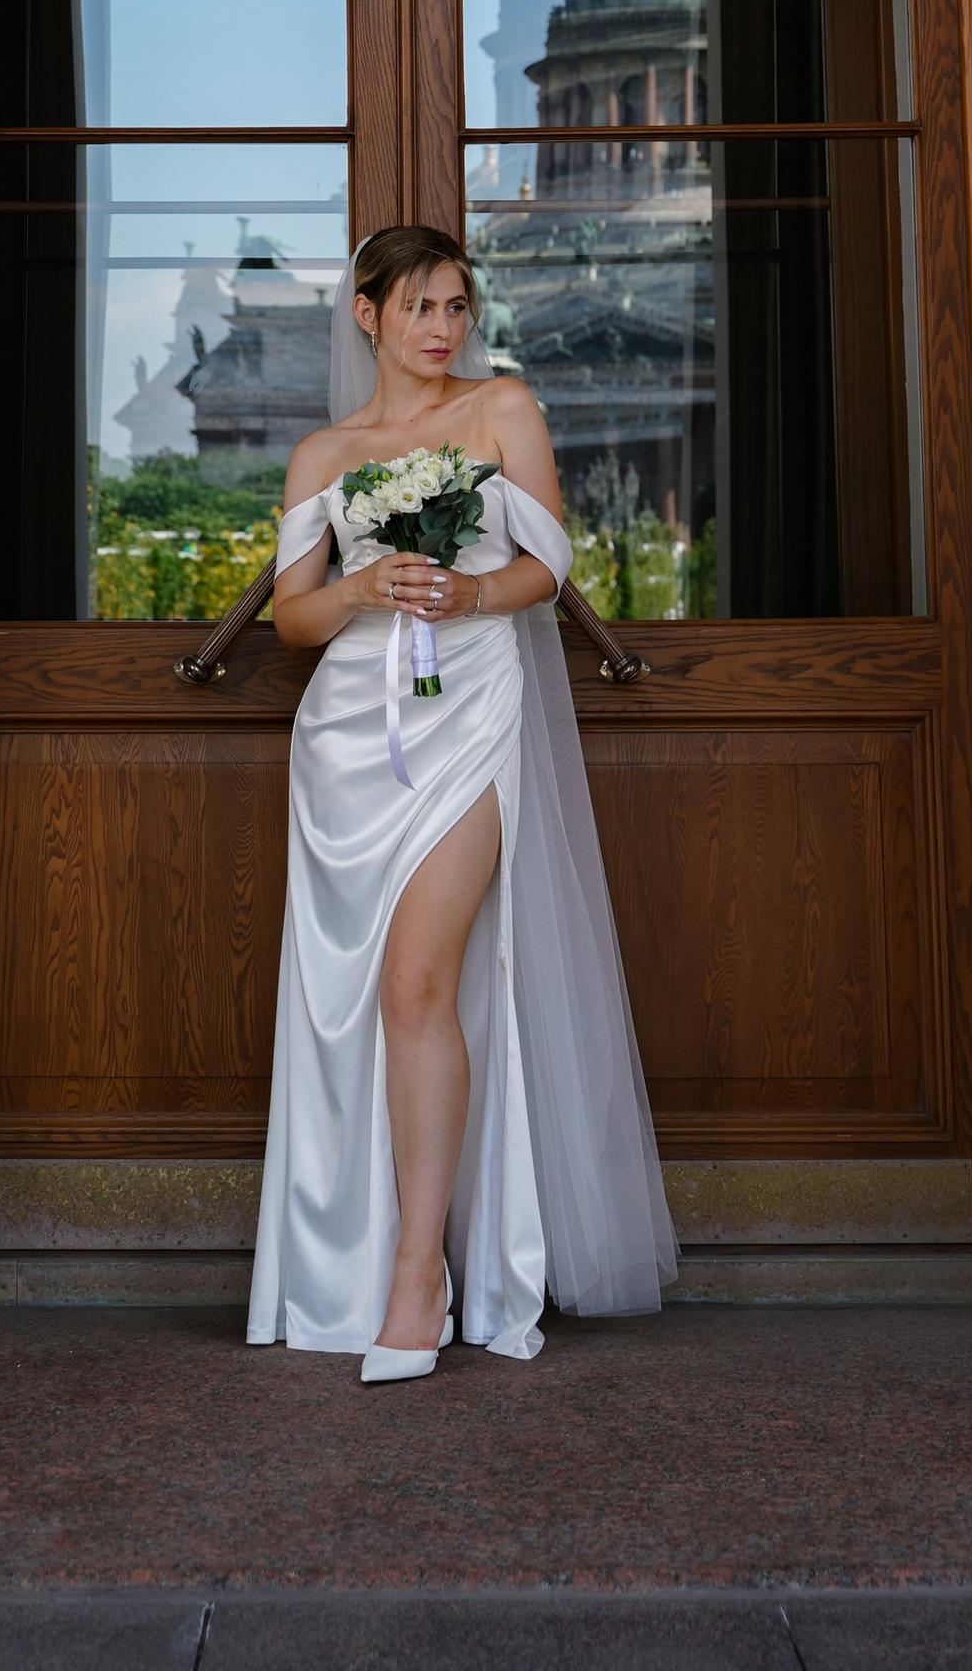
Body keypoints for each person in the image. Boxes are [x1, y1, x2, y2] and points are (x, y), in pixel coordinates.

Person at [246, 222, 676, 1379]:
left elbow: (550, 567)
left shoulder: (501, 412)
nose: (445, 331)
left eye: (459, 309)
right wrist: (362, 587)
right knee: (365, 996)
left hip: (471, 713)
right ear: (368, 313)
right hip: (347, 735)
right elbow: (290, 616)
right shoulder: (323, 453)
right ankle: (367, 1257)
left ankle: (417, 1273)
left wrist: (471, 594)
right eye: (423, 307)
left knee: (417, 979)